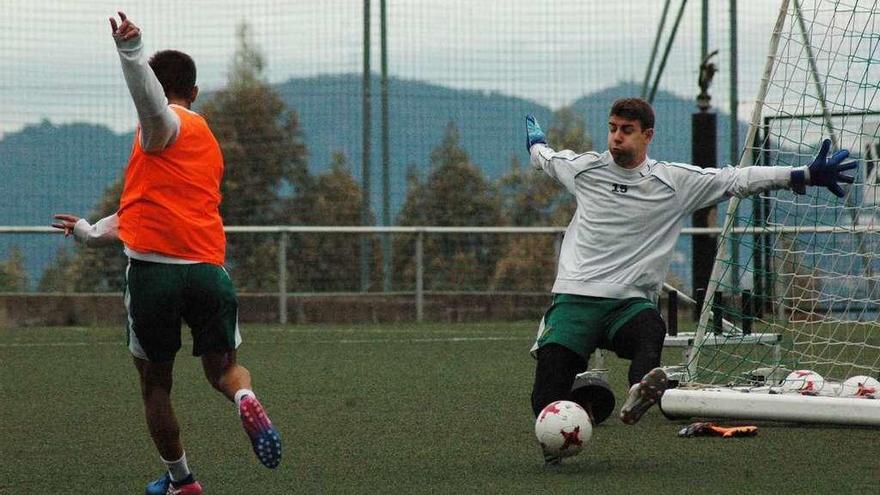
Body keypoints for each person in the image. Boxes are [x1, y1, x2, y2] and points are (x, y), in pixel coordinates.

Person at [525, 98, 855, 462]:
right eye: (613, 128)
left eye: (627, 130)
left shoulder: (673, 182)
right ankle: (572, 416)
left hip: (627, 302)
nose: (616, 138)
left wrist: (801, 174)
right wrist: (536, 144)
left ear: (647, 135)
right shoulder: (585, 169)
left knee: (651, 328)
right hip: (575, 300)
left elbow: (735, 179)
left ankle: (640, 389)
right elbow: (547, 158)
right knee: (545, 401)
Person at [51, 12, 282, 494]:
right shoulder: (208, 143)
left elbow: (154, 110)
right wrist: (91, 232)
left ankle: (181, 481)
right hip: (208, 271)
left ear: (161, 90)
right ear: (195, 92)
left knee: (155, 383)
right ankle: (243, 395)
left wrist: (131, 52)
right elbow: (140, 213)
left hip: (155, 273)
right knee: (223, 368)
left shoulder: (163, 127)